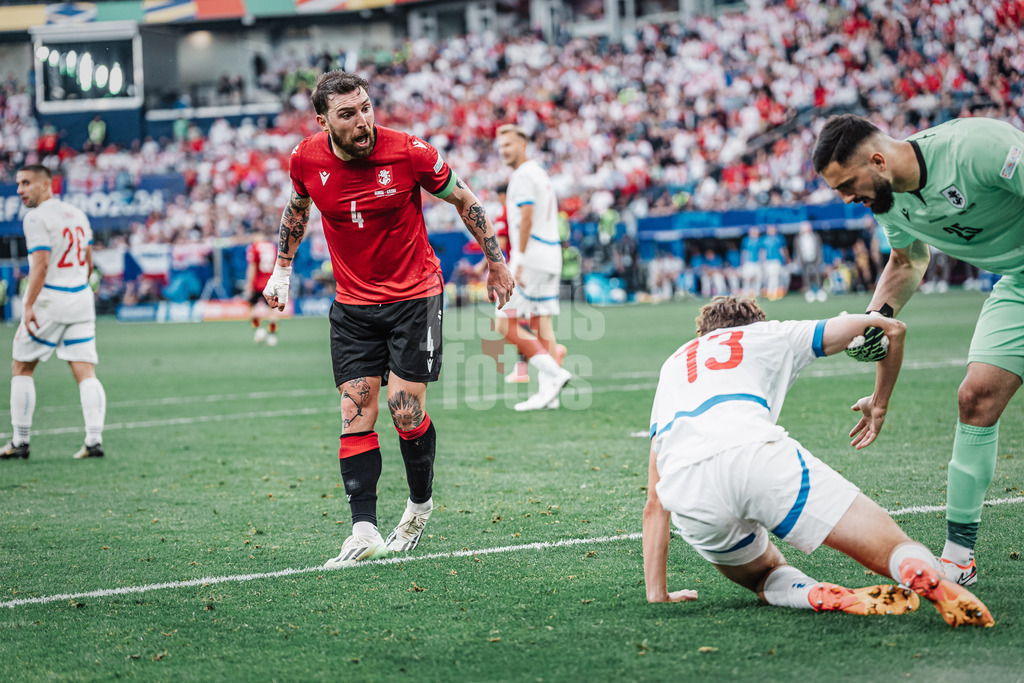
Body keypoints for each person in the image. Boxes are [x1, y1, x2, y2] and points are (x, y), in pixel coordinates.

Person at [261, 71, 514, 567]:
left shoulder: (408, 151)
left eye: (366, 108)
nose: (363, 122)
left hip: (415, 295)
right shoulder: (305, 158)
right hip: (353, 306)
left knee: (403, 408)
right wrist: (281, 270)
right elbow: (298, 208)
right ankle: (362, 530)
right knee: (355, 412)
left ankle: (419, 507)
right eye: (348, 114)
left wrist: (497, 262)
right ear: (323, 121)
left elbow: (465, 199)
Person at [643, 296, 993, 628]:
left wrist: (657, 593)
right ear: (754, 321)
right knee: (892, 548)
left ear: (703, 333)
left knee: (763, 576)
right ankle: (920, 569)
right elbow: (892, 328)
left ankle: (810, 593)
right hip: (756, 455)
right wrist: (879, 402)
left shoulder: (673, 363)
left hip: (687, 487)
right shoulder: (770, 333)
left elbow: (654, 503)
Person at [813, 113, 1024, 587]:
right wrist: (875, 318)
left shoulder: (978, 146)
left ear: (878, 160)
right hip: (1020, 283)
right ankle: (957, 559)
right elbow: (907, 260)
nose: (848, 199)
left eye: (849, 184)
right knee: (976, 398)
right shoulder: (888, 205)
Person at [2, 165, 107, 461]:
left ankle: (20, 441)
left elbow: (41, 265)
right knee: (85, 371)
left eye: (26, 183)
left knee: (22, 367)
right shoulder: (77, 214)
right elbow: (88, 260)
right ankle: (94, 440)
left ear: (45, 185)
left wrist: (28, 304)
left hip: (50, 300)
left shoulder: (35, 217)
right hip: (81, 299)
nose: (20, 189)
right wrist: (79, 287)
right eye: (18, 184)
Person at [494, 124, 571, 411]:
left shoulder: (523, 176)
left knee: (504, 321)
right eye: (501, 146)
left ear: (523, 144)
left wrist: (520, 260)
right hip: (549, 254)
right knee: (541, 322)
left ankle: (554, 373)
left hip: (533, 256)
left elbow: (525, 218)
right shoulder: (539, 173)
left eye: (509, 145)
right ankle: (548, 393)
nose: (504, 151)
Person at [245, 232, 280, 346]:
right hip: (271, 282)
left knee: (250, 307)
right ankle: (272, 336)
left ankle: (259, 330)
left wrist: (249, 284)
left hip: (258, 283)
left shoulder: (254, 248)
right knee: (272, 311)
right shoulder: (273, 247)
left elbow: (253, 267)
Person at [794, 222, 826, 302]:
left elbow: (819, 248)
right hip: (804, 259)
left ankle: (819, 291)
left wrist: (819, 258)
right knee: (806, 276)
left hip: (814, 258)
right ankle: (809, 292)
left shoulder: (815, 236)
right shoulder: (798, 238)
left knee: (817, 274)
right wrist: (799, 259)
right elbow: (797, 250)